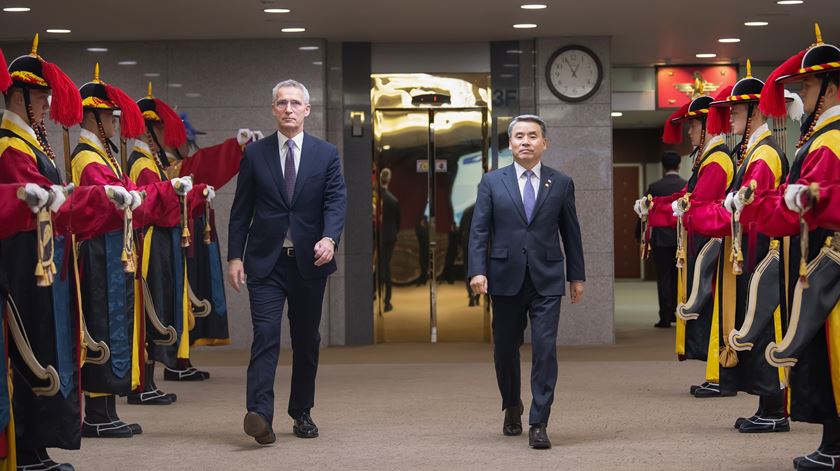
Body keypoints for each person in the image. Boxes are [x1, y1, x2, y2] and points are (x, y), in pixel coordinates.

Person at [0, 39, 132, 471]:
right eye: (39, 96)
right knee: (31, 350)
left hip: (46, 259)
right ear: (17, 95)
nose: (46, 104)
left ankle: (38, 444)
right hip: (23, 262)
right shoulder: (10, 145)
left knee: (48, 345)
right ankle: (26, 447)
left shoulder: (30, 144)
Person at [737, 24, 840, 470]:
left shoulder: (832, 138)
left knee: (832, 354)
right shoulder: (824, 136)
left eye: (811, 84)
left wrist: (762, 206)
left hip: (828, 259)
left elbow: (819, 198)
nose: (803, 92)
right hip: (818, 253)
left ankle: (834, 448)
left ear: (831, 87)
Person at [228, 79, 347, 446]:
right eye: (282, 103)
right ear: (273, 109)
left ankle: (301, 412)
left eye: (296, 103)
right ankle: (260, 415)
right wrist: (235, 256)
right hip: (265, 263)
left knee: (306, 340)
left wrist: (330, 238)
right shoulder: (255, 154)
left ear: (307, 110)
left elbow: (335, 202)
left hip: (309, 263)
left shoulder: (325, 154)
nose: (289, 109)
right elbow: (240, 210)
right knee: (264, 335)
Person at [468, 114, 585, 450]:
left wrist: (576, 275)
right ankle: (511, 405)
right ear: (509, 144)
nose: (525, 142)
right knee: (505, 349)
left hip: (547, 278)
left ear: (544, 143)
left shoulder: (560, 183)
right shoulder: (492, 182)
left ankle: (539, 421)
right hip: (504, 278)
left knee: (545, 349)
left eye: (533, 136)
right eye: (519, 136)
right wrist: (477, 270)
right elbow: (479, 231)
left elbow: (571, 233)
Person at [687, 62, 790, 432]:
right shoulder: (754, 151)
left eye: (738, 111)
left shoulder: (763, 154)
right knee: (757, 325)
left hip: (763, 251)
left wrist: (715, 212)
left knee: (764, 326)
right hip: (750, 249)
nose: (730, 118)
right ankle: (770, 406)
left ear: (755, 112)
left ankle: (774, 408)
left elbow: (753, 207)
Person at [634, 95, 734, 398]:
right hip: (704, 242)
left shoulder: (716, 160)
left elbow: (695, 204)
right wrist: (654, 207)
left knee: (714, 310)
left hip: (712, 244)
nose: (689, 133)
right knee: (707, 309)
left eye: (693, 126)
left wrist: (660, 209)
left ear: (706, 128)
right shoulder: (708, 158)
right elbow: (686, 200)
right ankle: (716, 374)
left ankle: (721, 376)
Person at [126, 83, 211, 402]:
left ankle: (148, 382)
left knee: (158, 308)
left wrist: (195, 195)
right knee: (151, 310)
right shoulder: (141, 160)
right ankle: (142, 384)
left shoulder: (152, 159)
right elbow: (150, 205)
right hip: (149, 241)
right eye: (159, 126)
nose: (165, 133)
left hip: (161, 239)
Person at [644, 151, 686, 328]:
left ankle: (664, 317)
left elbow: (645, 211)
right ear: (678, 165)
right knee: (679, 277)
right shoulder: (685, 184)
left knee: (663, 277)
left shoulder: (655, 187)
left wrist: (639, 235)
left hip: (660, 239)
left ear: (663, 166)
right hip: (679, 238)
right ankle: (678, 313)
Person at [378, 168, 400, 312]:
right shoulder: (393, 200)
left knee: (379, 266)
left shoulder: (375, 197)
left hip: (377, 236)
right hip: (390, 236)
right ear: (389, 179)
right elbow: (398, 222)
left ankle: (376, 294)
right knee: (386, 267)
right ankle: (387, 301)